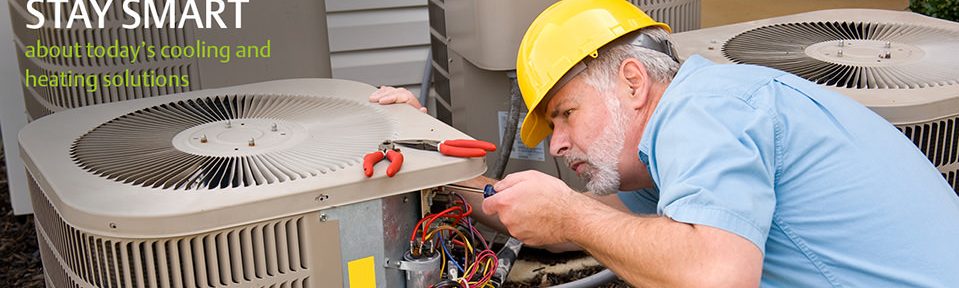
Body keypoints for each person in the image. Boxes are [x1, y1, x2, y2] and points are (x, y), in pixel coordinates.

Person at [370, 0, 959, 286]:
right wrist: (433, 155)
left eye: (565, 115)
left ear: (632, 82)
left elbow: (716, 276)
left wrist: (570, 214)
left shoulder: (703, 110)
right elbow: (604, 224)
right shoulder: (677, 144)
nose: (556, 145)